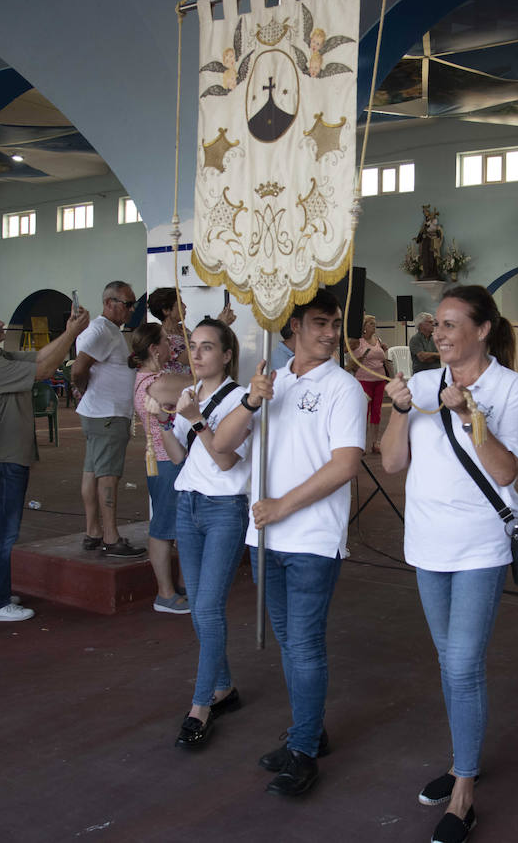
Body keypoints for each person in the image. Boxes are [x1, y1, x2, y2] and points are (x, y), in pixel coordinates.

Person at [379, 285, 518, 843]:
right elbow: (393, 461)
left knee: (463, 663)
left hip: (479, 546)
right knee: (449, 659)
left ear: (482, 330)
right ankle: (460, 760)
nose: (439, 334)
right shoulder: (423, 385)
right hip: (427, 544)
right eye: (436, 325)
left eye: (450, 325)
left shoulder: (511, 389)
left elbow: (504, 471)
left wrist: (474, 414)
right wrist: (400, 410)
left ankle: (464, 791)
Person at [212, 288, 365, 797]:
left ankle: (302, 750)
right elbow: (222, 445)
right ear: (292, 327)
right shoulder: (268, 383)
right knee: (288, 642)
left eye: (334, 323)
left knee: (303, 645)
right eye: (319, 322)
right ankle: (309, 731)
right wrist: (252, 400)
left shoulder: (344, 388)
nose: (329, 332)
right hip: (265, 539)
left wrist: (282, 506)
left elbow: (344, 465)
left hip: (312, 539)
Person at [0, 300, 89, 623]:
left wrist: (69, 331)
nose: (0, 323)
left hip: (4, 454)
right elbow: (44, 371)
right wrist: (72, 332)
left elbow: (41, 357)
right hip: (2, 457)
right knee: (4, 531)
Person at [164, 318, 252, 748]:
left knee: (209, 608)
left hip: (223, 508)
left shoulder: (241, 400)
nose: (196, 355)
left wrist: (197, 420)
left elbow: (226, 461)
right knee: (198, 608)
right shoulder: (190, 394)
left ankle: (201, 704)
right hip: (189, 504)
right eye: (193, 347)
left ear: (227, 354)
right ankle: (224, 687)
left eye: (207, 347)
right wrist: (163, 424)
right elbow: (180, 455)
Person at [72, 280, 144, 557]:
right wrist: (82, 388)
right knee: (108, 477)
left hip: (100, 413)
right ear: (108, 303)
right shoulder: (102, 330)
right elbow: (79, 367)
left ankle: (93, 532)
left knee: (92, 472)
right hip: (107, 415)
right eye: (127, 304)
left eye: (133, 303)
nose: (131, 309)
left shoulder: (109, 331)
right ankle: (111, 537)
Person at [130, 322, 191, 613]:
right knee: (164, 527)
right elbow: (198, 384)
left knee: (172, 524)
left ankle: (177, 588)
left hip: (167, 459)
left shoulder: (151, 378)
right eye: (166, 341)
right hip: (166, 460)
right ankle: (165, 594)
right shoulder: (157, 382)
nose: (171, 345)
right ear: (155, 349)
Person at [347, 314, 392, 453]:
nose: (374, 326)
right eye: (371, 324)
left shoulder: (378, 340)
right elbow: (350, 359)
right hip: (364, 380)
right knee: (363, 412)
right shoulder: (358, 342)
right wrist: (359, 357)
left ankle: (375, 442)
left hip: (379, 379)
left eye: (375, 323)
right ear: (364, 327)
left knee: (376, 412)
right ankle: (361, 443)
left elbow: (383, 360)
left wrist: (384, 350)